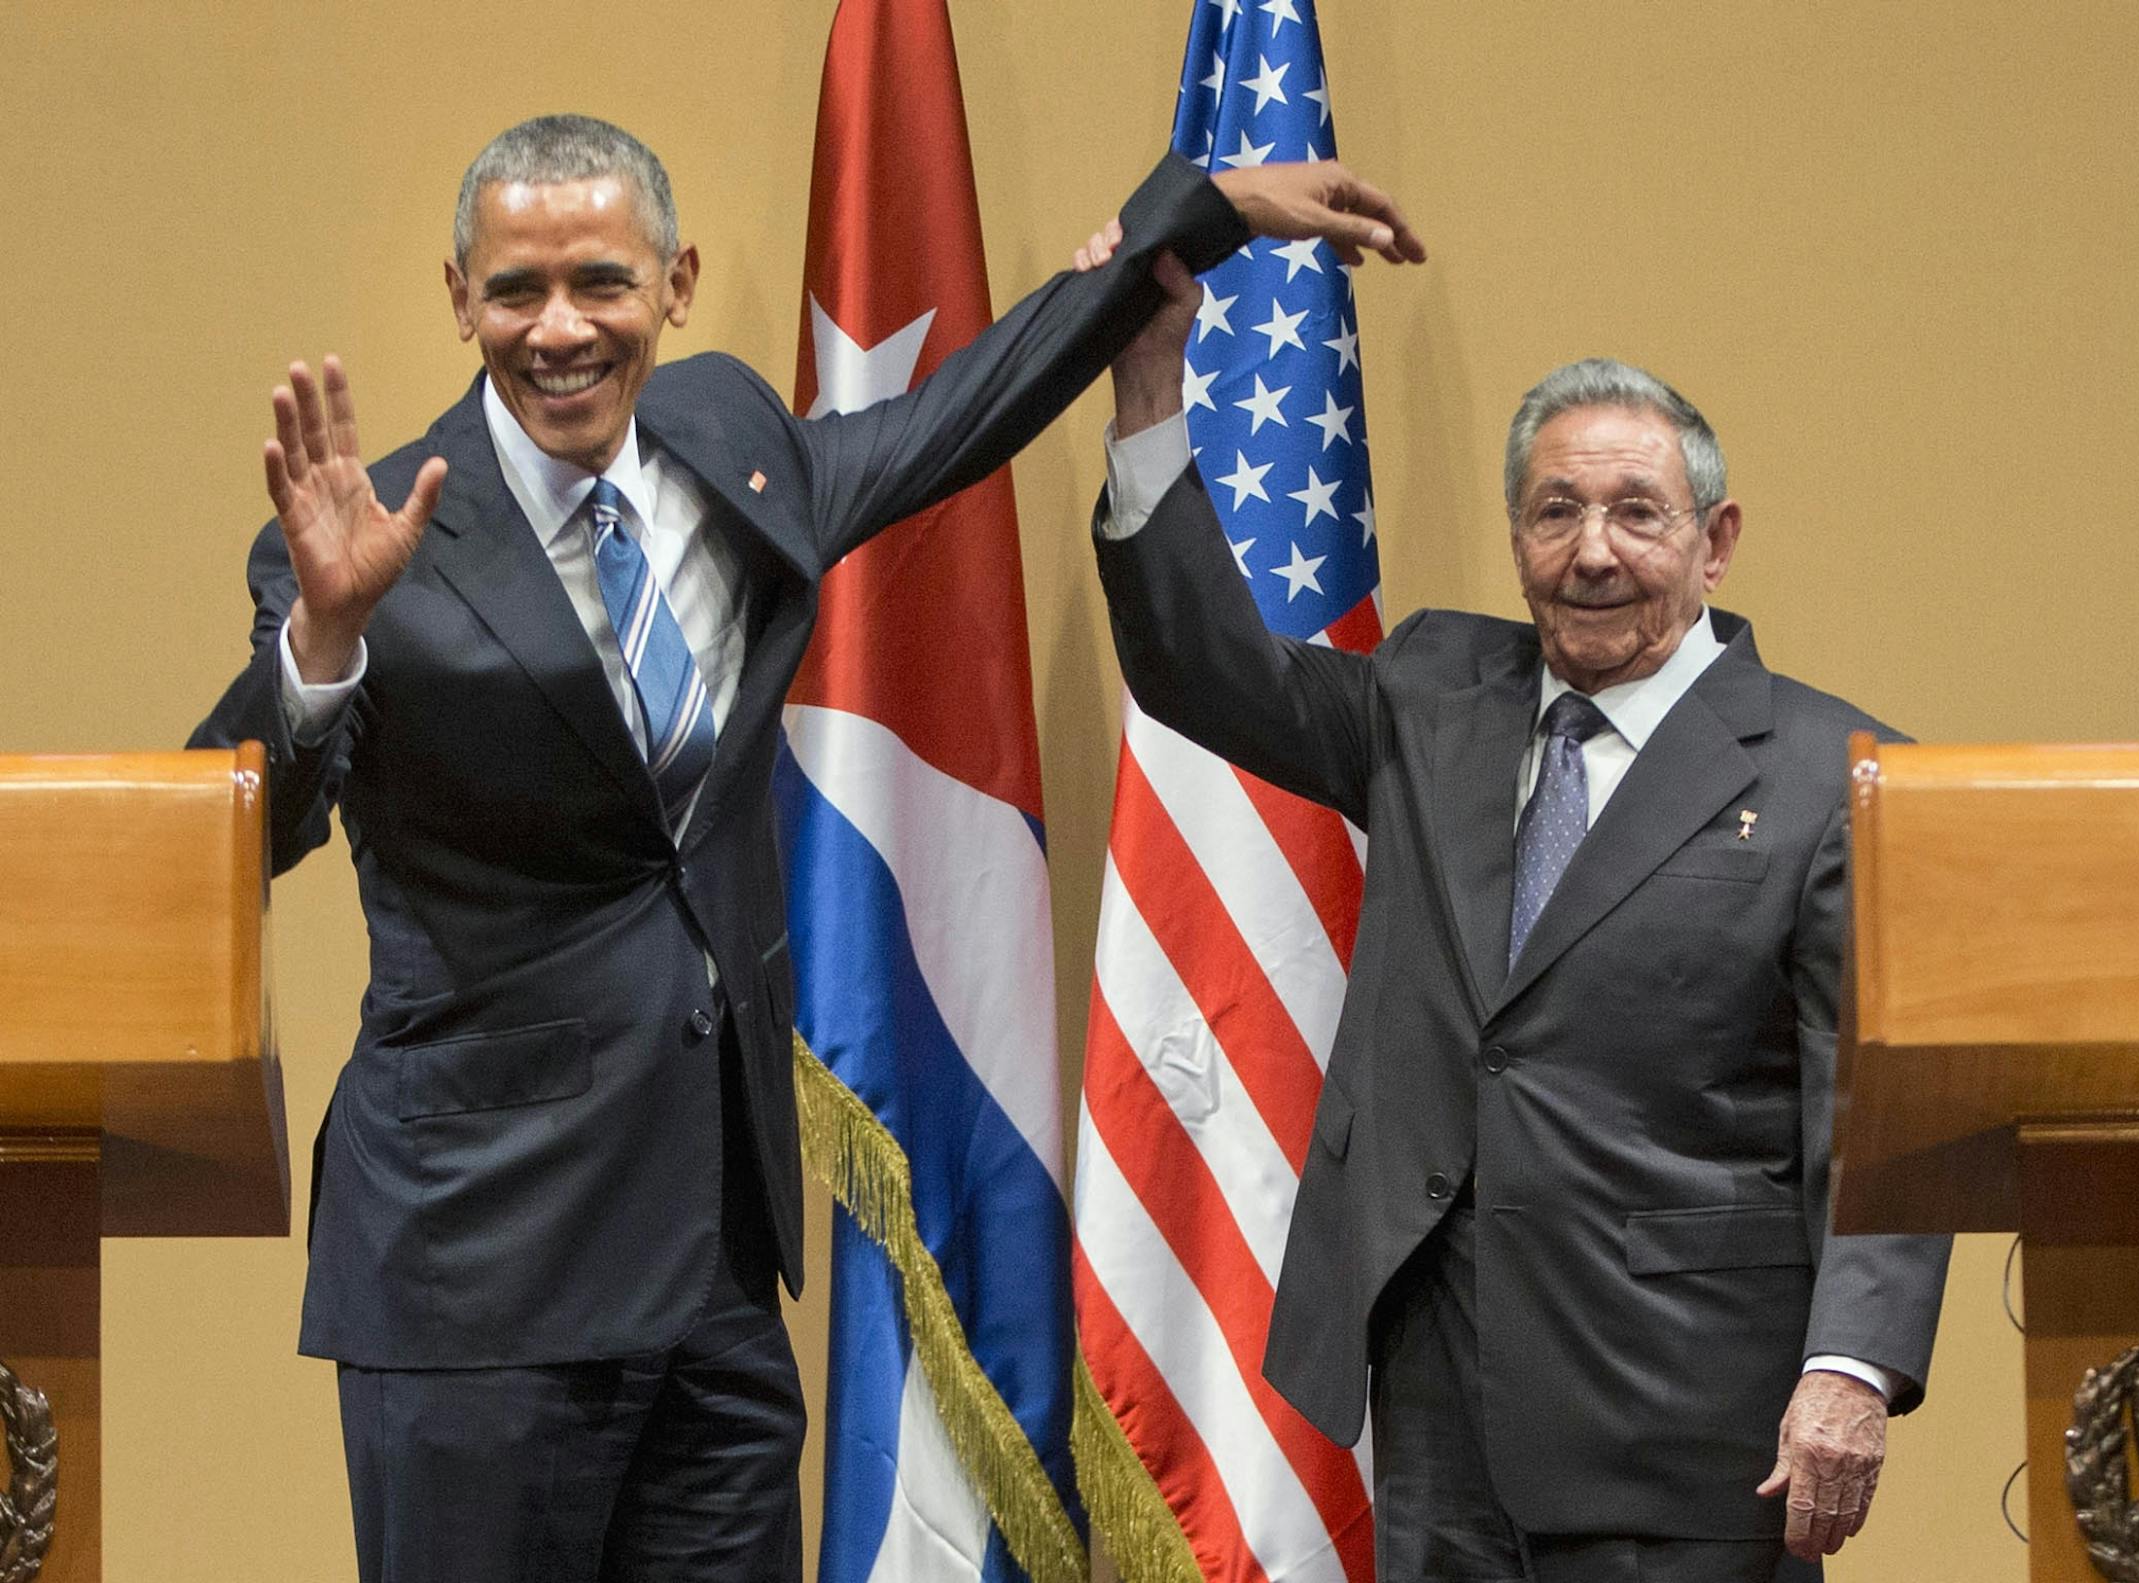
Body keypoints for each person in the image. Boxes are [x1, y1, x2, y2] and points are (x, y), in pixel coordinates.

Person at [188, 114, 1422, 1582]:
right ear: (460, 301)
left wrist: (1198, 212)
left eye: (601, 281)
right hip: (477, 1275)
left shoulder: (730, 443)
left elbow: (962, 412)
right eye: (516, 291)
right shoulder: (367, 533)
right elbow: (227, 835)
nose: (560, 328)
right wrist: (324, 638)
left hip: (710, 1267)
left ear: (677, 283)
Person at [1075, 242, 1950, 1583]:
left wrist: (1852, 1367)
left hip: (1689, 1420)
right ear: (1517, 537)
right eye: (1555, 512)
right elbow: (1207, 667)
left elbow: (1883, 1106)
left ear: (1714, 542)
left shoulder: (1838, 776)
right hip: (1444, 1400)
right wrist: (1147, 391)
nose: (1592, 551)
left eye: (1636, 514)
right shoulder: (1433, 693)